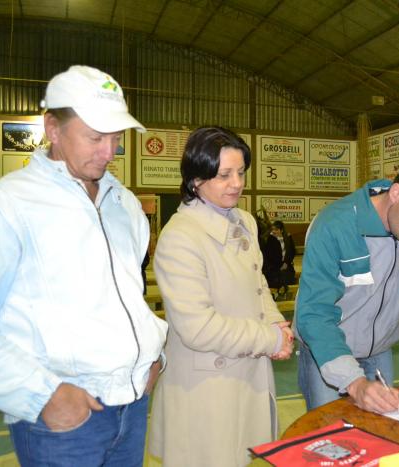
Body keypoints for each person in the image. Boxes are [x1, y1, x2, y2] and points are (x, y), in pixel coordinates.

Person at [0, 65, 168, 466]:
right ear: (53, 128)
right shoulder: (4, 207)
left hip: (132, 409)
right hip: (64, 422)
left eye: (115, 138)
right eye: (95, 137)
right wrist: (42, 396)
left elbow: (128, 296)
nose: (109, 152)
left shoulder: (124, 204)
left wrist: (155, 356)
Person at [148, 126, 294, 467]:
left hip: (247, 372)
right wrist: (269, 339)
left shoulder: (245, 221)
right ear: (195, 180)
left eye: (240, 172)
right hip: (206, 388)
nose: (237, 183)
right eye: (224, 175)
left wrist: (276, 324)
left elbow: (258, 286)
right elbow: (198, 328)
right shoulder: (180, 237)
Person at [294, 156, 399, 413]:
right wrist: (354, 382)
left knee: (382, 438)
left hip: (380, 352)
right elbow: (314, 313)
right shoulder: (334, 225)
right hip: (328, 354)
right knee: (332, 439)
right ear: (395, 193)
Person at [263, 220, 297, 295]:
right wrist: (280, 265)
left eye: (276, 229)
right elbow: (269, 256)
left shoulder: (287, 237)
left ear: (281, 230)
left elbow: (292, 252)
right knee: (277, 279)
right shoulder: (270, 239)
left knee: (289, 278)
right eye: (273, 229)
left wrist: (286, 263)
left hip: (286, 265)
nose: (274, 231)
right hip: (274, 267)